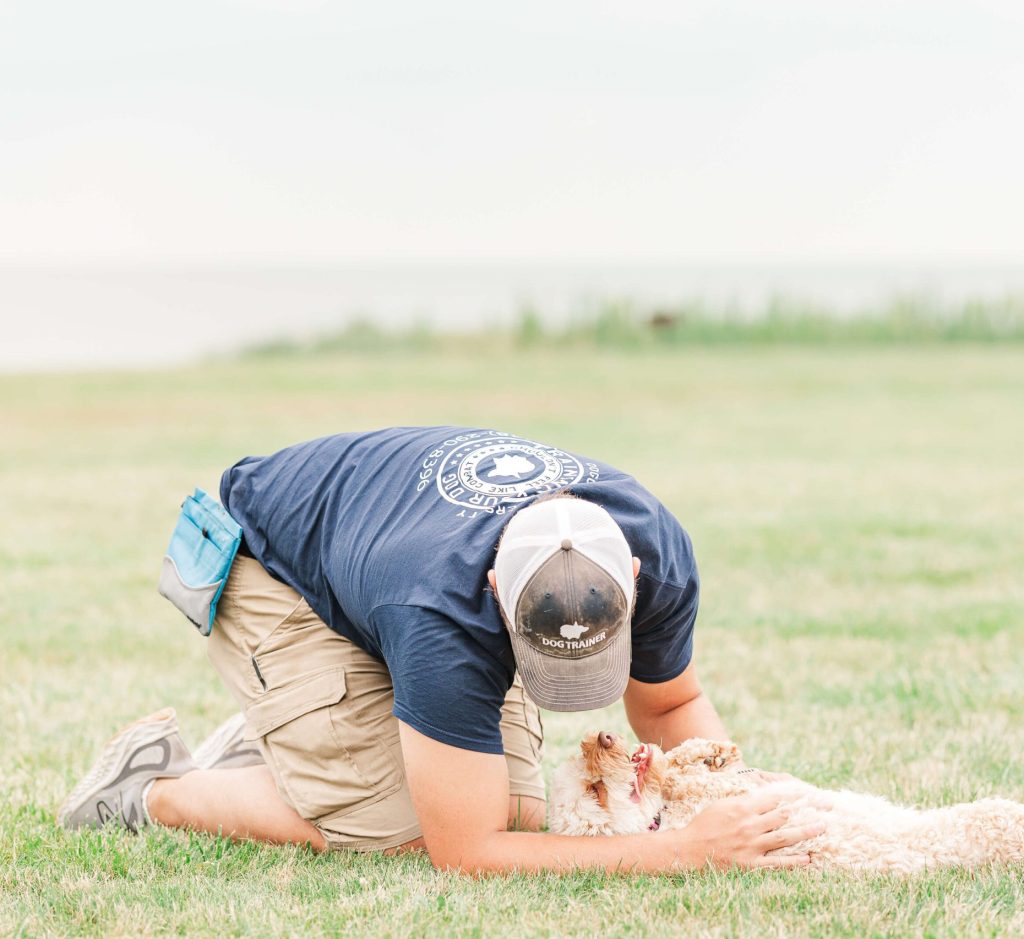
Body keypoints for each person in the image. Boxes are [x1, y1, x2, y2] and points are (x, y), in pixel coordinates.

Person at [60, 426, 822, 872]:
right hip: (267, 562)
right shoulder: (441, 607)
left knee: (524, 809)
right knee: (402, 830)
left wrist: (737, 803)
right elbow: (465, 851)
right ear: (497, 591)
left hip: (370, 553)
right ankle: (149, 788)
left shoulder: (653, 544)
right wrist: (685, 849)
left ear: (630, 575)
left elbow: (671, 701)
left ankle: (299, 743)